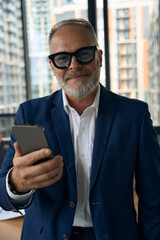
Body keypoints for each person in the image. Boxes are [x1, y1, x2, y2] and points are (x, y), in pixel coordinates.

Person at [0, 18, 160, 240]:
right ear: (52, 67)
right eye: (62, 58)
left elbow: (154, 196)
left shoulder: (135, 115)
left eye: (84, 53)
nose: (73, 65)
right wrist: (17, 183)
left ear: (99, 58)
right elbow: (3, 194)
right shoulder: (29, 113)